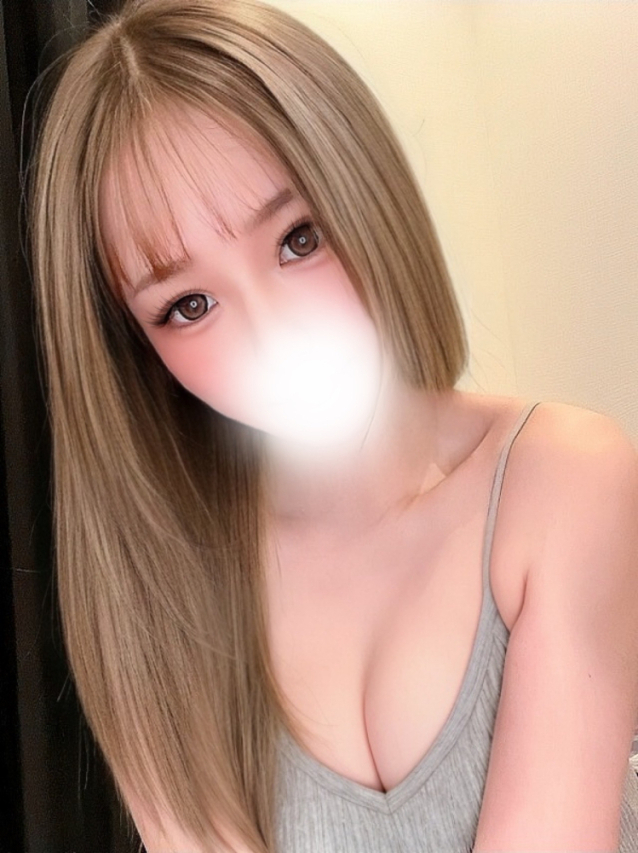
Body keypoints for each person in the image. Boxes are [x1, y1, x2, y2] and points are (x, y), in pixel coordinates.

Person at [27, 0, 638, 851]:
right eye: (188, 305)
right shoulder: (155, 599)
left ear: (363, 189)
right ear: (135, 354)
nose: (271, 330)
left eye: (299, 237)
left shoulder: (564, 478)